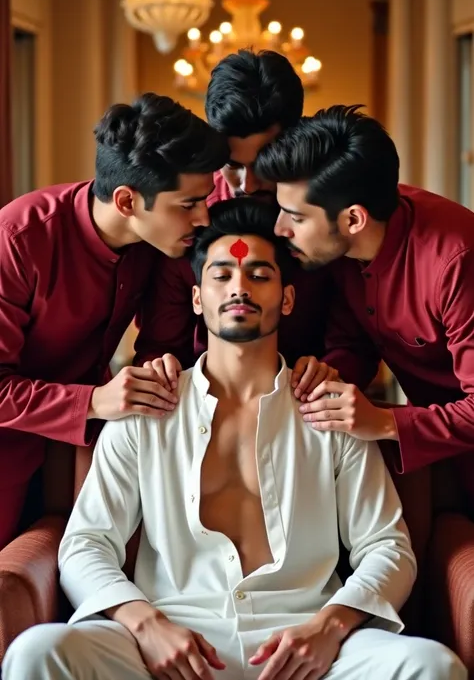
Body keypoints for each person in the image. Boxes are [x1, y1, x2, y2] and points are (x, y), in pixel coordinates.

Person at [2, 198, 466, 680]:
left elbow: (387, 547)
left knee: (430, 666)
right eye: (221, 275)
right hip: (167, 644)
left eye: (260, 275)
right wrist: (146, 624)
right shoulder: (147, 409)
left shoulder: (329, 410)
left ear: (287, 299)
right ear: (198, 298)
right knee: (38, 652)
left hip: (306, 645)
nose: (239, 287)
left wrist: (330, 627)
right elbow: (87, 543)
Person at [0, 92, 229, 550]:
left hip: (92, 442)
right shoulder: (20, 239)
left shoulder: (164, 244)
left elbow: (164, 343)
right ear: (127, 200)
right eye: (188, 204)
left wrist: (155, 371)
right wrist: (93, 401)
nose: (204, 217)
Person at [255, 103, 474, 513]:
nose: (279, 229)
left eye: (295, 217)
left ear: (354, 219)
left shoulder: (455, 260)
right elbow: (354, 343)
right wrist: (330, 373)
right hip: (442, 455)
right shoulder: (337, 249)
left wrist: (385, 422)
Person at [136, 50, 334, 387]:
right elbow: (160, 344)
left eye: (263, 164)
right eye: (232, 165)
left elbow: (353, 335)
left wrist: (333, 372)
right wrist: (161, 373)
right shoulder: (189, 216)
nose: (247, 185)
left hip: (313, 403)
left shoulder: (325, 207)